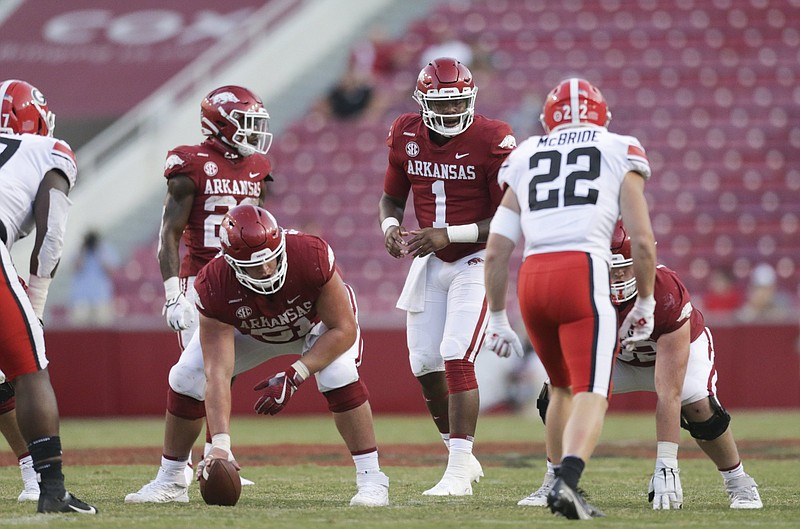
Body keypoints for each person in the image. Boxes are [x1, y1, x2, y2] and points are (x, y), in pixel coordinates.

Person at [126, 205, 389, 507]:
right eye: (255, 264)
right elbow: (219, 372)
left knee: (337, 375)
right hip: (255, 330)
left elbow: (343, 329)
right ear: (231, 262)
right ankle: (172, 478)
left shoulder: (310, 254)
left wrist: (295, 374)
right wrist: (220, 446)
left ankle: (372, 480)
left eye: (271, 259)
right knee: (186, 375)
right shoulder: (214, 284)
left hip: (316, 326)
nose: (266, 269)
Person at [482, 77, 657, 519]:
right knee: (592, 390)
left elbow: (497, 250)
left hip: (533, 276)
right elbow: (642, 242)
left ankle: (553, 479)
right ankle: (567, 483)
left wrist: (499, 318)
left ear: (547, 119)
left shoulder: (524, 154)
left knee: (559, 385)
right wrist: (646, 302)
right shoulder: (619, 148)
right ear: (604, 117)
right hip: (581, 269)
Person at [520, 222, 763, 510]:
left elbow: (669, 392)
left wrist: (667, 463)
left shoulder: (666, 291)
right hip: (620, 358)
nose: (618, 275)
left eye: (625, 266)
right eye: (610, 268)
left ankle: (739, 481)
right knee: (558, 391)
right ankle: (555, 479)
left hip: (676, 353)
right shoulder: (579, 290)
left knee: (698, 406)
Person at [378, 57, 516, 496]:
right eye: (445, 103)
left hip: (476, 260)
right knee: (424, 363)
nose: (454, 111)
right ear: (422, 102)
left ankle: (457, 470)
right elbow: (390, 197)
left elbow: (510, 218)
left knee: (457, 351)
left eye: (460, 102)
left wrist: (447, 234)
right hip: (430, 263)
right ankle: (463, 457)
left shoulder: (493, 138)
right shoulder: (405, 132)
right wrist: (389, 228)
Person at [157, 85, 273, 476]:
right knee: (200, 375)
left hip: (242, 283)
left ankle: (216, 457)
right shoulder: (191, 164)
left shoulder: (258, 166)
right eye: (247, 123)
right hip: (200, 283)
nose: (255, 133)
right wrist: (174, 294)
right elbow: (169, 234)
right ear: (220, 123)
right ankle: (183, 466)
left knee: (227, 373)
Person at [0, 79, 97, 514]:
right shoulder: (47, 149)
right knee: (29, 369)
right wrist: (36, 304)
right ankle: (51, 491)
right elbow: (53, 232)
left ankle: (30, 474)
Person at [68, 230, 119, 326]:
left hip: (101, 296)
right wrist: (83, 251)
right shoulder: (79, 250)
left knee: (103, 330)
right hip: (80, 297)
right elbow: (75, 267)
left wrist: (99, 251)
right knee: (78, 330)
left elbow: (110, 270)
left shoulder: (105, 250)